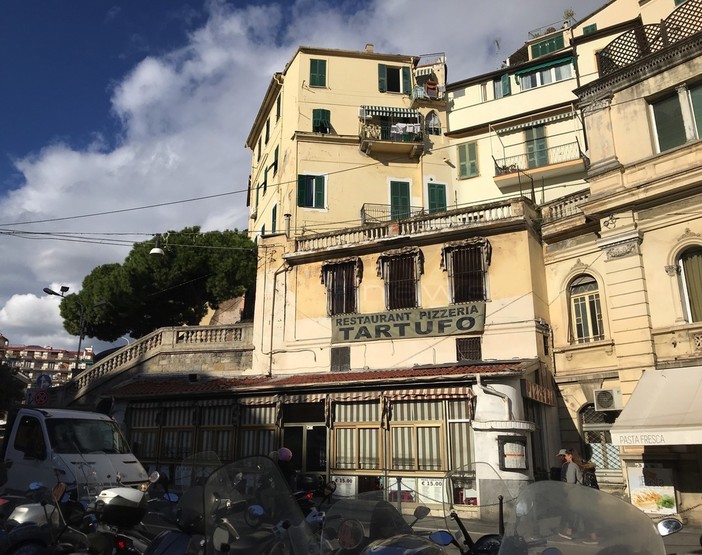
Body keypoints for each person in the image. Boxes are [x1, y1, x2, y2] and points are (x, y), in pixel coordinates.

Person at [559, 449, 600, 545]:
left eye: (565, 456)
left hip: (575, 494)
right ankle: (570, 531)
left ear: (570, 456)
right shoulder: (579, 465)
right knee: (577, 513)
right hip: (582, 494)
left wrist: (564, 490)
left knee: (580, 514)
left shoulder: (572, 466)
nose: (563, 458)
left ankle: (593, 537)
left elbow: (570, 481)